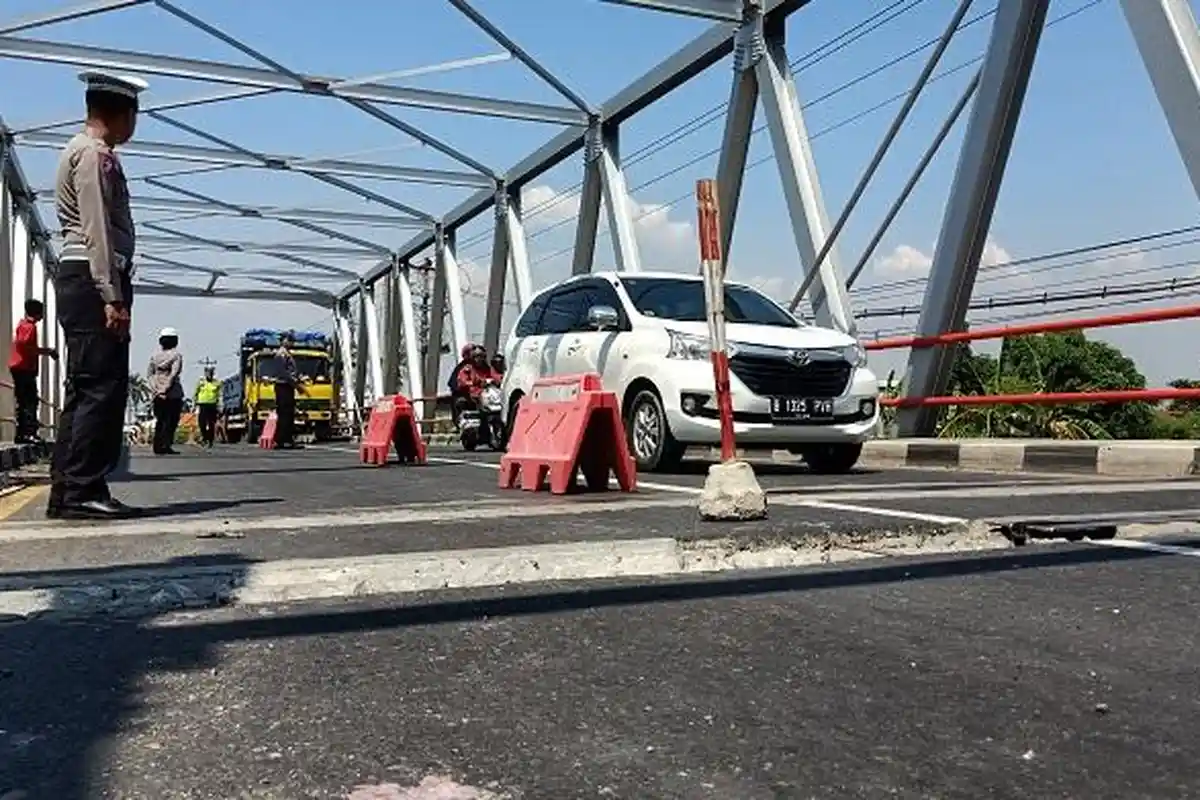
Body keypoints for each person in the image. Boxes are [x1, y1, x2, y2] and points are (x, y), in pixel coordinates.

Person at [48, 70, 147, 520]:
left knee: (84, 386)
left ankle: (68, 489)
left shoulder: (77, 150)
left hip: (81, 276)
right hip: (93, 277)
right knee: (101, 388)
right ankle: (83, 489)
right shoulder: (94, 155)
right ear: (122, 114)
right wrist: (112, 294)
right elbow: (97, 231)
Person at [8, 298, 59, 444]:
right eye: (41, 312)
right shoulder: (29, 327)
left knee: (24, 400)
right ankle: (28, 433)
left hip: (20, 367)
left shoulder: (23, 325)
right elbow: (23, 344)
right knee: (30, 401)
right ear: (36, 313)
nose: (42, 315)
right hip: (23, 367)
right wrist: (46, 351)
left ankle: (22, 433)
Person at [147, 328, 183, 454]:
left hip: (157, 394)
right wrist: (165, 390)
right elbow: (174, 374)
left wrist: (156, 390)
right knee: (171, 420)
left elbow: (149, 375)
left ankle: (157, 446)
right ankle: (166, 445)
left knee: (160, 419)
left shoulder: (154, 356)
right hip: (173, 394)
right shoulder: (176, 356)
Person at [452, 343, 498, 425]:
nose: (479, 359)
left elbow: (496, 378)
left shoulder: (489, 369)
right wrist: (475, 383)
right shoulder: (467, 369)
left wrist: (497, 381)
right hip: (473, 397)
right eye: (477, 356)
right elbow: (462, 381)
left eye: (481, 356)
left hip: (489, 398)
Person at [271, 331, 299, 449]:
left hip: (287, 385)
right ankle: (281, 440)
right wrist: (295, 384)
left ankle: (285, 439)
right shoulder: (281, 354)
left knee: (288, 413)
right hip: (283, 385)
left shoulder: (287, 354)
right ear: (283, 341)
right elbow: (283, 373)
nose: (291, 343)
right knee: (284, 414)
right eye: (289, 340)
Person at [194, 365, 220, 448]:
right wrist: (194, 403)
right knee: (202, 423)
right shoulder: (201, 382)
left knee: (211, 424)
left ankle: (210, 440)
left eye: (211, 372)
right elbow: (196, 392)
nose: (209, 374)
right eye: (208, 372)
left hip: (212, 405)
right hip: (202, 404)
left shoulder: (216, 383)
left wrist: (220, 406)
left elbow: (220, 395)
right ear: (205, 373)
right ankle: (205, 437)